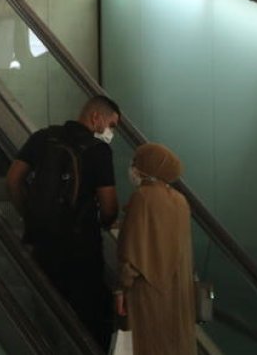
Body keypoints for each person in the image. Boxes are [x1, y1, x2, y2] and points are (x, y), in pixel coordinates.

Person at [6, 96, 120, 352]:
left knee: (46, 313)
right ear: (95, 118)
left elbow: (13, 179)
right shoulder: (98, 150)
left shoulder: (43, 138)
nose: (111, 132)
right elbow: (109, 205)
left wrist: (29, 214)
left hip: (43, 244)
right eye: (112, 125)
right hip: (82, 250)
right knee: (92, 318)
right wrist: (107, 221)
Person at [116, 143, 195, 355]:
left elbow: (132, 253)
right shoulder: (180, 201)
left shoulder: (142, 197)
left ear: (147, 166)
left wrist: (121, 288)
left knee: (148, 345)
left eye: (136, 162)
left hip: (148, 291)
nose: (132, 167)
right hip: (177, 291)